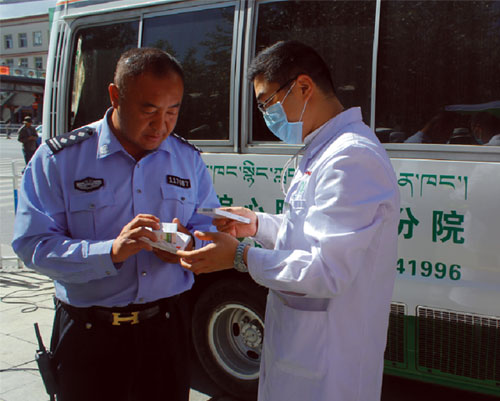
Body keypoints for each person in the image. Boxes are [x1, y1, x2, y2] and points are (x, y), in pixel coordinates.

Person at [177, 41, 400, 401]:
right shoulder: (323, 148)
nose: (266, 115)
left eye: (267, 103)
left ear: (303, 87)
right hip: (303, 353)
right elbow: (310, 233)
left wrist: (240, 256)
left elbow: (327, 270)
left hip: (331, 367)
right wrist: (257, 226)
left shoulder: (350, 158)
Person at [12, 47, 220, 401]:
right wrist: (109, 252)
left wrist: (189, 246)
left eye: (172, 112)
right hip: (89, 335)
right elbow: (32, 245)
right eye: (149, 111)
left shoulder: (187, 159)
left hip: (164, 332)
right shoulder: (59, 160)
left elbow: (209, 230)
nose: (161, 125)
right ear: (115, 96)